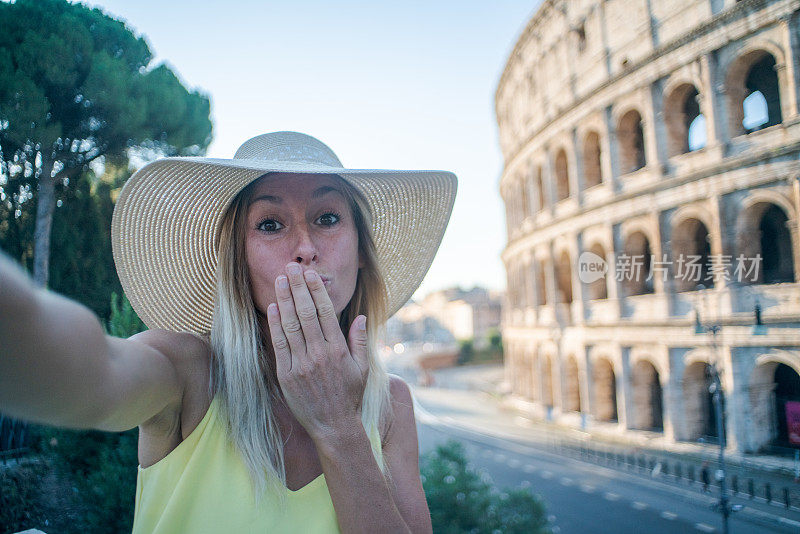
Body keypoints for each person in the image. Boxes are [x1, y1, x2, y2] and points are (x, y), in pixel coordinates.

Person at [0, 131, 458, 533]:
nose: (304, 249)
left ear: (361, 249)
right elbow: (95, 371)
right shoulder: (187, 372)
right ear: (238, 260)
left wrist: (338, 426)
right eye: (271, 225)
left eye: (327, 218)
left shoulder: (392, 404)